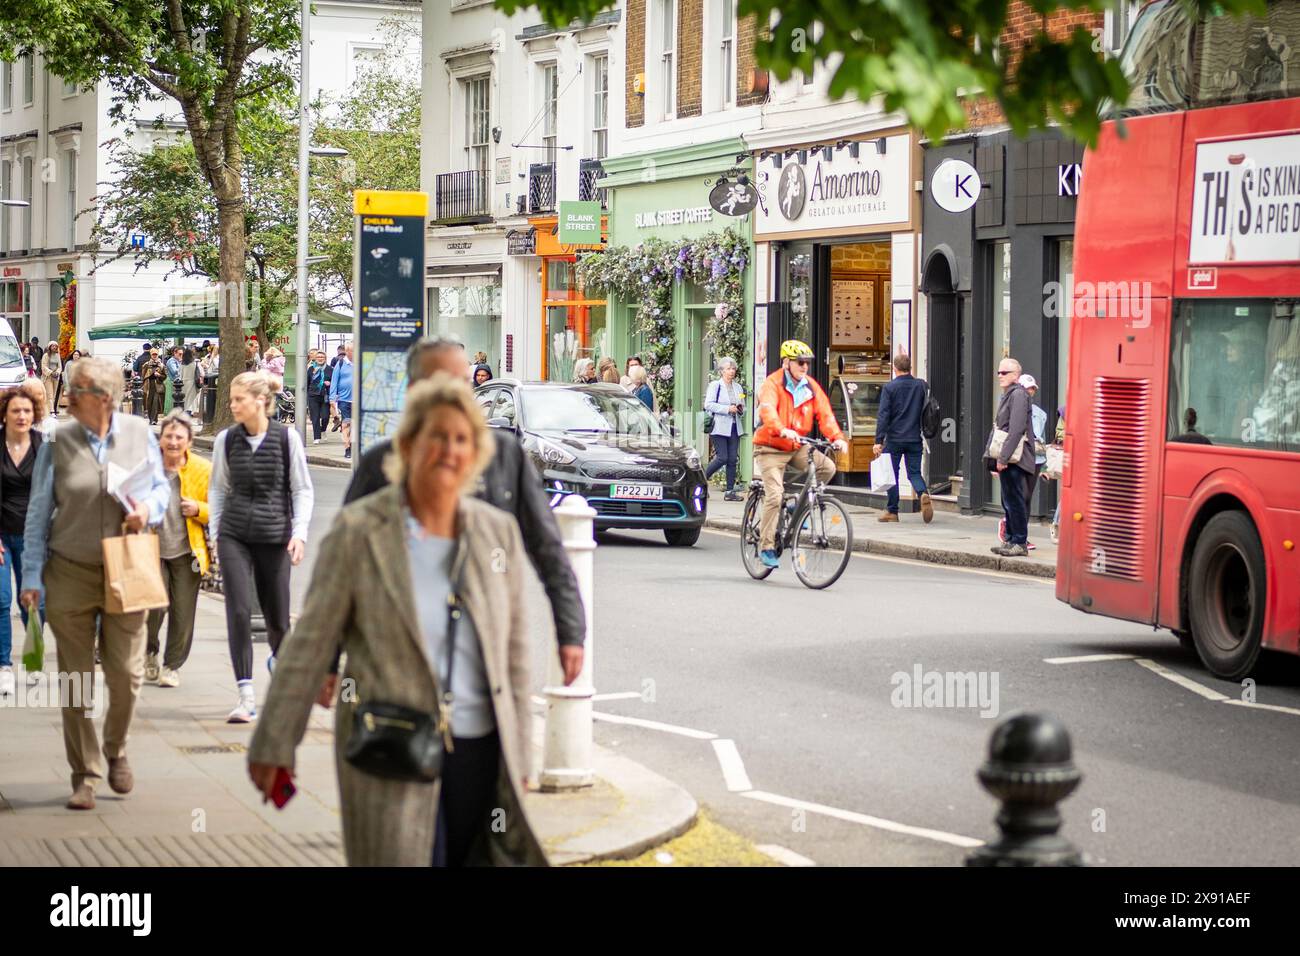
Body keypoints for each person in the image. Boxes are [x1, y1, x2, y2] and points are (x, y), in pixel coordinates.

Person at [249, 374, 547, 867]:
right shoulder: (360, 529)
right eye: (436, 437)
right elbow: (311, 640)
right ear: (408, 445)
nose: (449, 450)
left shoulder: (497, 533)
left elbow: (513, 653)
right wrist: (275, 741)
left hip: (481, 751)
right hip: (389, 743)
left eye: (461, 439)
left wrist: (520, 756)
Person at [343, 335, 584, 698]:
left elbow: (547, 547)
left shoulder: (504, 456)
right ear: (413, 390)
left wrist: (570, 632)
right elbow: (343, 568)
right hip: (398, 652)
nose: (458, 395)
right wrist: (330, 660)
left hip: (484, 649)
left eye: (464, 384)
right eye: (444, 384)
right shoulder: (381, 464)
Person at [21, 356, 170, 810]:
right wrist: (31, 575)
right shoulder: (58, 439)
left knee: (125, 673)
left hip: (127, 564)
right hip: (70, 568)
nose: (66, 399)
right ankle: (84, 772)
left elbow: (160, 488)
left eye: (75, 393)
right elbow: (38, 511)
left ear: (102, 400)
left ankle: (116, 747)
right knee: (74, 678)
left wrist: (148, 510)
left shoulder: (138, 433)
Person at [209, 371, 313, 722]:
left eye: (239, 399)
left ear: (261, 401)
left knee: (278, 619)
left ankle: (278, 664)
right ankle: (245, 694)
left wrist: (298, 533)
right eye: (232, 399)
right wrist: (215, 533)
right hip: (234, 534)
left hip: (274, 535)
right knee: (238, 611)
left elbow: (301, 489)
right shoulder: (226, 440)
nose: (233, 404)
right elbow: (218, 489)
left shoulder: (288, 439)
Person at [753, 340, 848, 568]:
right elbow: (767, 410)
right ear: (786, 363)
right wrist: (781, 429)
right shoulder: (772, 384)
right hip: (770, 447)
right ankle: (766, 547)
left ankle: (799, 506)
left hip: (796, 446)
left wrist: (837, 438)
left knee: (827, 467)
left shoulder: (810, 387)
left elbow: (825, 415)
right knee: (775, 495)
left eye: (807, 363)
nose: (805, 367)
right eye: (800, 362)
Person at [143, 410, 211, 689]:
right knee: (153, 608)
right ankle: (149, 651)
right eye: (168, 436)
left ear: (189, 441)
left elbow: (219, 508)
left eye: (179, 437)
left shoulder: (202, 469)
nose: (172, 442)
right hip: (152, 549)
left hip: (187, 552)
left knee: (183, 611)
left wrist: (199, 509)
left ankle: (172, 666)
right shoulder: (148, 467)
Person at [0, 387, 46, 698]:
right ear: (5, 414)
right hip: (1, 535)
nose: (22, 416)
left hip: (32, 535)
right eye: (16, 410)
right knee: (2, 600)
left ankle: (33, 660)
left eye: (27, 411)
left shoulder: (44, 448)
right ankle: (3, 665)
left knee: (32, 602)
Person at [873, 352, 934, 524]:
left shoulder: (889, 388)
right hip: (915, 437)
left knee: (892, 474)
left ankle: (892, 511)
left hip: (894, 439)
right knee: (913, 472)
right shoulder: (921, 385)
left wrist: (878, 441)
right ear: (910, 368)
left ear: (894, 368)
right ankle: (923, 493)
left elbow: (883, 415)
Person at [989, 358, 1037, 558]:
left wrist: (1003, 457)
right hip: (1008, 457)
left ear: (1016, 375)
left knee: (1015, 500)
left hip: (1015, 458)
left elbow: (1016, 429)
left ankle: (1019, 541)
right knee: (1008, 500)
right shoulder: (1008, 395)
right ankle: (1010, 539)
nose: (1000, 375)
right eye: (999, 372)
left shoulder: (1018, 394)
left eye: (1004, 372)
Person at [703, 357, 746, 501]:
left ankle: (729, 492)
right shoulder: (716, 385)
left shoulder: (738, 387)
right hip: (719, 427)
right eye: (728, 369)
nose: (731, 371)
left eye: (733, 368)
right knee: (722, 457)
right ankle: (700, 481)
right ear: (721, 371)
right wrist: (727, 409)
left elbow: (743, 406)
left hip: (735, 427)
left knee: (732, 459)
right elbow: (708, 404)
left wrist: (740, 410)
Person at [329, 341, 355, 459]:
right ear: (348, 351)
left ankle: (354, 445)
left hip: (358, 400)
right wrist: (332, 398)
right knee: (346, 424)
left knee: (356, 425)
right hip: (344, 399)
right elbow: (334, 382)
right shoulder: (340, 363)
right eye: (352, 351)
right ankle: (347, 448)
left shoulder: (362, 362)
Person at [305, 350, 331, 444]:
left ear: (325, 359)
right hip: (313, 395)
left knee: (325, 416)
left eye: (322, 357)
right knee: (315, 417)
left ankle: (323, 429)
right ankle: (316, 437)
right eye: (318, 357)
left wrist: (330, 384)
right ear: (315, 358)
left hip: (325, 396)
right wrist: (307, 394)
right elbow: (307, 382)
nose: (320, 359)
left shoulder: (329, 369)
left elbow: (334, 382)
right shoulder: (311, 369)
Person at [141, 348, 168, 424]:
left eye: (156, 354)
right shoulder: (146, 365)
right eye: (153, 354)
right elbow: (143, 376)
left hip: (157, 385)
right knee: (149, 403)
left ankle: (154, 420)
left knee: (156, 403)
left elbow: (165, 376)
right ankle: (150, 419)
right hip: (149, 385)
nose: (155, 356)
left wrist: (159, 375)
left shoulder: (161, 365)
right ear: (151, 355)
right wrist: (149, 375)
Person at [180, 346, 202, 419]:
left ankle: (185, 412)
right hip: (192, 382)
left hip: (183, 383)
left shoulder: (182, 364)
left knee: (185, 399)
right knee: (191, 400)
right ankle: (189, 412)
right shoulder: (194, 363)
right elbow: (200, 373)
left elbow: (180, 374)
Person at [40, 342, 62, 409]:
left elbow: (60, 366)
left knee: (54, 395)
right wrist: (51, 372)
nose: (54, 347)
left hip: (56, 377)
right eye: (53, 346)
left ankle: (50, 409)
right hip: (48, 377)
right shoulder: (46, 355)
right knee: (50, 395)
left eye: (55, 346)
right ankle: (51, 411)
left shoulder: (58, 355)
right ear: (49, 347)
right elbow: (43, 366)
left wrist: (57, 372)